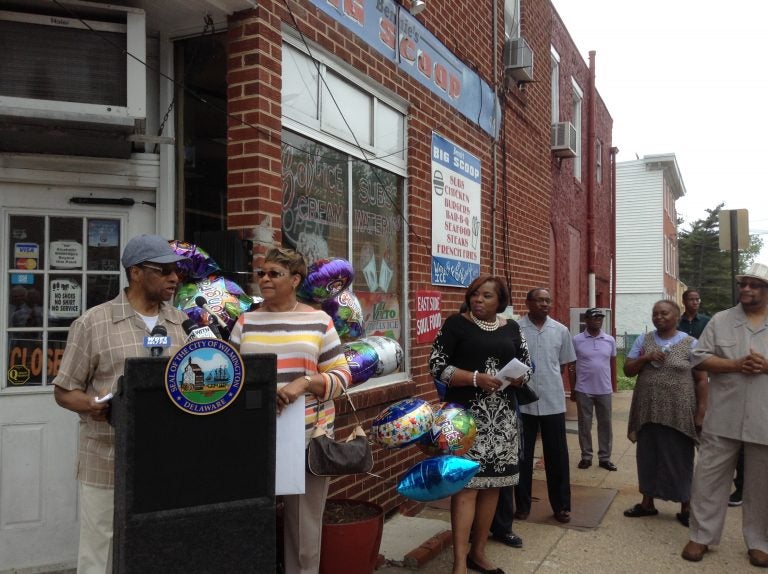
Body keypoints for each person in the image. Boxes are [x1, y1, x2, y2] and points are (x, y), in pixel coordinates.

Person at [53, 234, 189, 574]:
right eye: (165, 270)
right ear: (136, 273)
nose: (175, 278)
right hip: (106, 455)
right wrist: (92, 404)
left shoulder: (180, 323)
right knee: (100, 547)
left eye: (178, 271)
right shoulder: (93, 323)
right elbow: (64, 390)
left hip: (163, 459)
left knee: (155, 542)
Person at [229, 247, 351, 574]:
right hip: (255, 438)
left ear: (295, 279)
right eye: (261, 274)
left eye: (274, 274)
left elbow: (342, 376)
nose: (265, 279)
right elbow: (229, 375)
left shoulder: (318, 321)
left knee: (304, 530)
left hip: (308, 437)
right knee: (252, 521)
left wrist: (305, 383)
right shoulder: (246, 321)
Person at [429, 275, 531, 574]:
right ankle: (459, 562)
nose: (478, 300)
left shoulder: (512, 327)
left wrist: (521, 376)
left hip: (502, 420)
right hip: (465, 419)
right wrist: (474, 378)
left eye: (486, 296)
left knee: (493, 487)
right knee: (467, 487)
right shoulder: (455, 325)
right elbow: (436, 365)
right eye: (475, 294)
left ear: (500, 301)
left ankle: (479, 553)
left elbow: (527, 362)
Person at [682, 262, 768, 567]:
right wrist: (735, 364)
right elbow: (698, 358)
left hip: (764, 418)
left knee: (762, 484)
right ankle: (701, 536)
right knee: (708, 477)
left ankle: (760, 542)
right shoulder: (721, 320)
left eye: (754, 285)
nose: (746, 289)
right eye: (743, 284)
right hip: (724, 415)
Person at [623, 300, 707, 528]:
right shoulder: (644, 340)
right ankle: (647, 503)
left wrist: (701, 413)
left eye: (664, 313)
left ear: (676, 316)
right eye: (655, 313)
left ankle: (686, 506)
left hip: (678, 411)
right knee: (648, 455)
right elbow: (628, 370)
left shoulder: (691, 343)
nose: (659, 317)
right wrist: (645, 358)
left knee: (679, 457)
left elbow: (701, 380)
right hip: (648, 408)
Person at [513, 288, 576, 524]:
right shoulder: (516, 329)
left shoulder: (560, 331)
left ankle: (561, 506)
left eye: (548, 300)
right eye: (539, 300)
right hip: (524, 404)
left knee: (557, 456)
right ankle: (522, 505)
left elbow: (561, 366)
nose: (544, 304)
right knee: (522, 456)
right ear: (528, 302)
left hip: (552, 401)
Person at [571, 308, 618, 471]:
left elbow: (612, 363)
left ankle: (605, 458)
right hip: (584, 389)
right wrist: (573, 389)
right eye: (594, 317)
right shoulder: (577, 340)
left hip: (604, 389)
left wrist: (613, 386)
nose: (598, 320)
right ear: (587, 320)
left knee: (605, 424)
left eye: (600, 318)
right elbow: (571, 365)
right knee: (585, 425)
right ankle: (586, 456)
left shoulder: (610, 340)